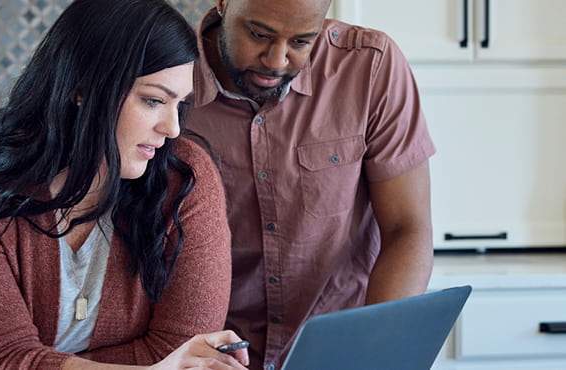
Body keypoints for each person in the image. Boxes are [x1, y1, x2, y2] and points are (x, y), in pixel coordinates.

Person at [0, 0, 249, 369]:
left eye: (179, 104)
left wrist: (35, 361)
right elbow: (1, 360)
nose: (172, 128)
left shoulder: (185, 180)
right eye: (154, 100)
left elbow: (184, 351)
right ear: (82, 86)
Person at [185, 0, 436, 368]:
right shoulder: (167, 76)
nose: (276, 60)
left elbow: (407, 229)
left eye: (302, 42)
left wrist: (377, 347)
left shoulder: (370, 66)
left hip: (342, 352)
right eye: (258, 34)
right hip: (212, 357)